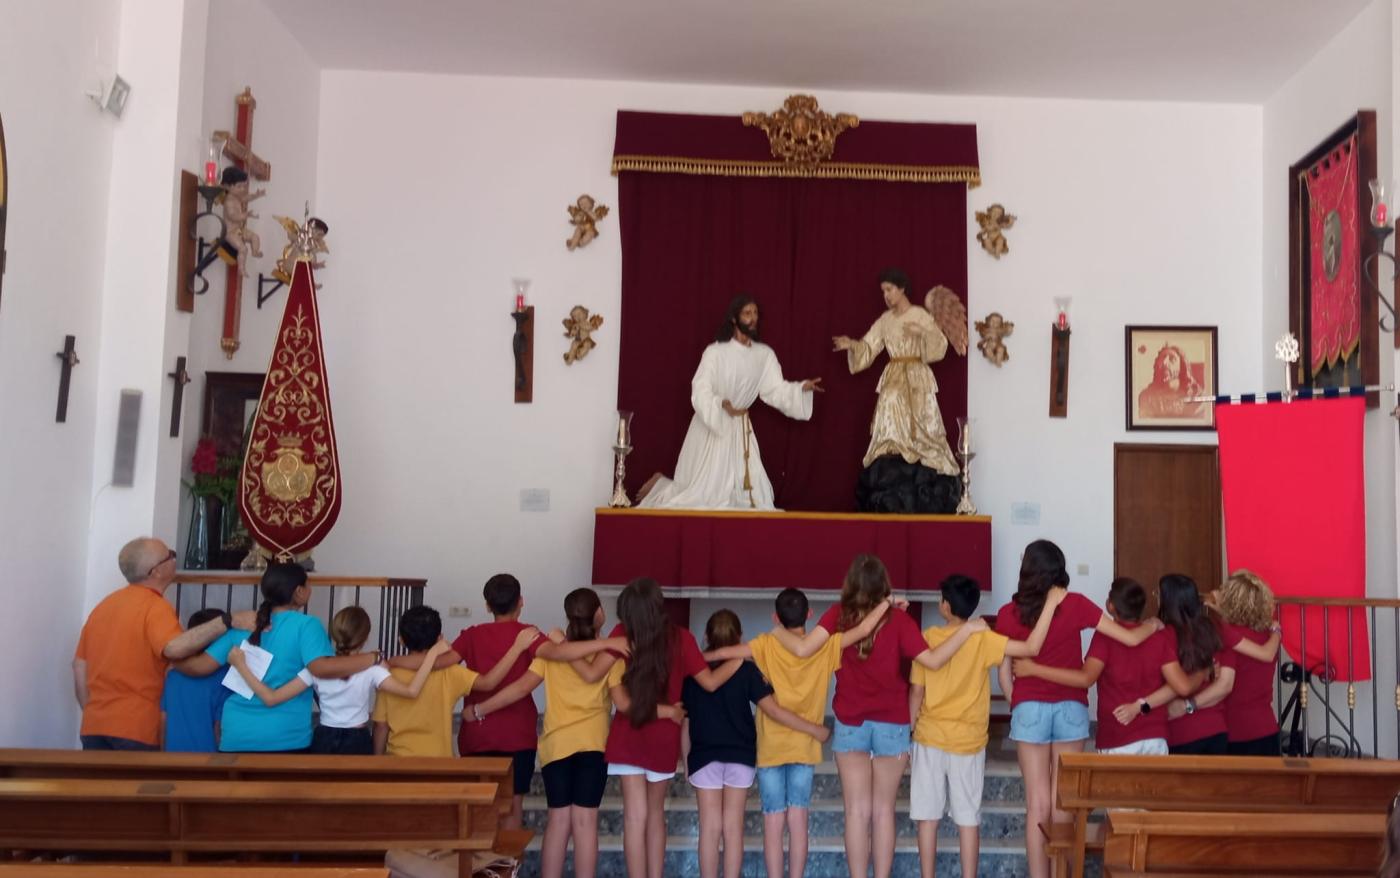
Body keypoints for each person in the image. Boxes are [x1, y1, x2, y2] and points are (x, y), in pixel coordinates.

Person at [766, 555, 1007, 878]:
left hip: (851, 721)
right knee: (882, 812)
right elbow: (933, 661)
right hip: (892, 723)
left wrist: (774, 633)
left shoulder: (838, 614)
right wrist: (966, 631)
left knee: (855, 812)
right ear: (885, 586)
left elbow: (805, 648)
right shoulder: (899, 621)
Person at [995, 541, 1166, 878]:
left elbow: (1003, 671)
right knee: (1064, 805)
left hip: (1029, 707)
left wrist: (1018, 701)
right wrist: (1153, 625)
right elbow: (1129, 638)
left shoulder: (1007, 613)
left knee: (1037, 806)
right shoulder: (1075, 604)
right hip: (1071, 706)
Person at [702, 588, 890, 878]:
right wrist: (886, 603)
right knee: (799, 819)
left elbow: (728, 652)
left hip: (770, 748)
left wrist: (703, 655)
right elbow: (865, 628)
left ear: (776, 617)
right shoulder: (826, 646)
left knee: (773, 823)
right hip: (805, 748)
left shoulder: (766, 643)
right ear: (810, 614)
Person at [908, 575, 1065, 878]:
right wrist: (1051, 603)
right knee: (968, 819)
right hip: (968, 741)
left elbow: (917, 691)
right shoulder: (983, 638)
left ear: (945, 606)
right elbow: (1031, 647)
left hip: (929, 737)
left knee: (926, 818)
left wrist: (909, 730)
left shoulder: (927, 638)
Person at [467, 588, 621, 878]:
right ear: (599, 614)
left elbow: (521, 688)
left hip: (556, 746)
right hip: (594, 744)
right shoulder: (608, 656)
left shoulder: (551, 654)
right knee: (586, 822)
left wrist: (480, 709)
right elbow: (621, 699)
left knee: (558, 820)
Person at [601, 578, 744, 878]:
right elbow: (710, 682)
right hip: (664, 737)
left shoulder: (620, 635)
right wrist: (740, 656)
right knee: (655, 815)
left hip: (628, 735)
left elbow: (619, 699)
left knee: (634, 818)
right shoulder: (681, 638)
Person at [681, 610, 829, 878]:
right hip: (741, 756)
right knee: (733, 827)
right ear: (739, 637)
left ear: (706, 636)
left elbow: (686, 722)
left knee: (709, 827)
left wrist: (687, 760)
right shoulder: (748, 669)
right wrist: (814, 729)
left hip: (703, 757)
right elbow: (773, 710)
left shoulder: (694, 673)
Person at [174, 562, 383, 753]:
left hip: (237, 733)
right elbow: (322, 668)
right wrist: (372, 658)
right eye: (308, 585)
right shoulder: (306, 625)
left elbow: (197, 667)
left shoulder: (241, 624)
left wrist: (170, 659)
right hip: (286, 736)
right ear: (299, 592)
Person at [637, 295, 822, 510]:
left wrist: (800, 389)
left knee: (747, 501)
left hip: (741, 429)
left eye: (755, 313)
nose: (753, 318)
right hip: (714, 425)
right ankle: (660, 486)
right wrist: (721, 405)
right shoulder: (716, 352)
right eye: (747, 313)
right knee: (701, 497)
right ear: (734, 319)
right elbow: (700, 388)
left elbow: (775, 390)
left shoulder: (764, 355)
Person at [374, 604, 599, 758]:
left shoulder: (387, 676)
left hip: (399, 759)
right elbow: (489, 683)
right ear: (439, 638)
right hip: (440, 760)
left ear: (401, 639)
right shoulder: (450, 674)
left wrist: (376, 760)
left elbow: (381, 727)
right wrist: (518, 647)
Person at [224, 605, 454, 755]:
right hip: (357, 739)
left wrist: (241, 667)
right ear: (364, 638)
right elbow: (412, 691)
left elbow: (271, 698)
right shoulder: (372, 668)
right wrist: (433, 653)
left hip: (323, 737)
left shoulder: (318, 668)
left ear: (333, 634)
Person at [73, 537, 234, 750]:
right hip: (136, 726)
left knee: (101, 785)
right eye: (170, 555)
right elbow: (174, 648)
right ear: (155, 571)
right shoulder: (155, 607)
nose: (174, 558)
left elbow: (79, 667)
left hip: (94, 725)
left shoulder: (103, 607)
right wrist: (226, 622)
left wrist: (93, 711)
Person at [1013, 578, 1197, 757]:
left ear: (1111, 606)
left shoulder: (1105, 639)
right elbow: (1181, 686)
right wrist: (1204, 672)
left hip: (1117, 735)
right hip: (1155, 737)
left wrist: (1034, 669)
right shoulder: (1158, 638)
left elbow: (1086, 678)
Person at [833, 268, 960, 513]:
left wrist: (922, 332)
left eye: (890, 290)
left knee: (920, 418)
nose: (887, 296)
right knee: (889, 402)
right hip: (894, 374)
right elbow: (869, 346)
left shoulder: (919, 314)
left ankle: (920, 450)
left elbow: (939, 345)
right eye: (883, 292)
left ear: (902, 289)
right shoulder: (886, 320)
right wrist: (853, 345)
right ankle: (894, 450)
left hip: (916, 374)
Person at [1154, 574, 1237, 755]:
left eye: (1158, 594)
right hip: (1216, 729)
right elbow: (1224, 686)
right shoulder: (1214, 630)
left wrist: (1185, 706)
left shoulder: (1163, 637)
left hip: (1179, 732)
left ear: (1167, 601)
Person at [1213, 570, 1284, 755]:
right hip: (1266, 727)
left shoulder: (1227, 637)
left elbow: (1224, 686)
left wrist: (1191, 706)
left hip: (1236, 731)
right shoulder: (1267, 636)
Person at [160, 608, 235, 752]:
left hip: (172, 760)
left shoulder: (173, 676)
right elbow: (219, 729)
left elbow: (163, 720)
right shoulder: (226, 677)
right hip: (207, 762)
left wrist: (163, 756)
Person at [1136, 343, 1204, 419]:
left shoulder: (1197, 395)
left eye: (1172, 359)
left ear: (1182, 366)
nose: (1165, 363)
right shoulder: (1146, 396)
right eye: (1161, 359)